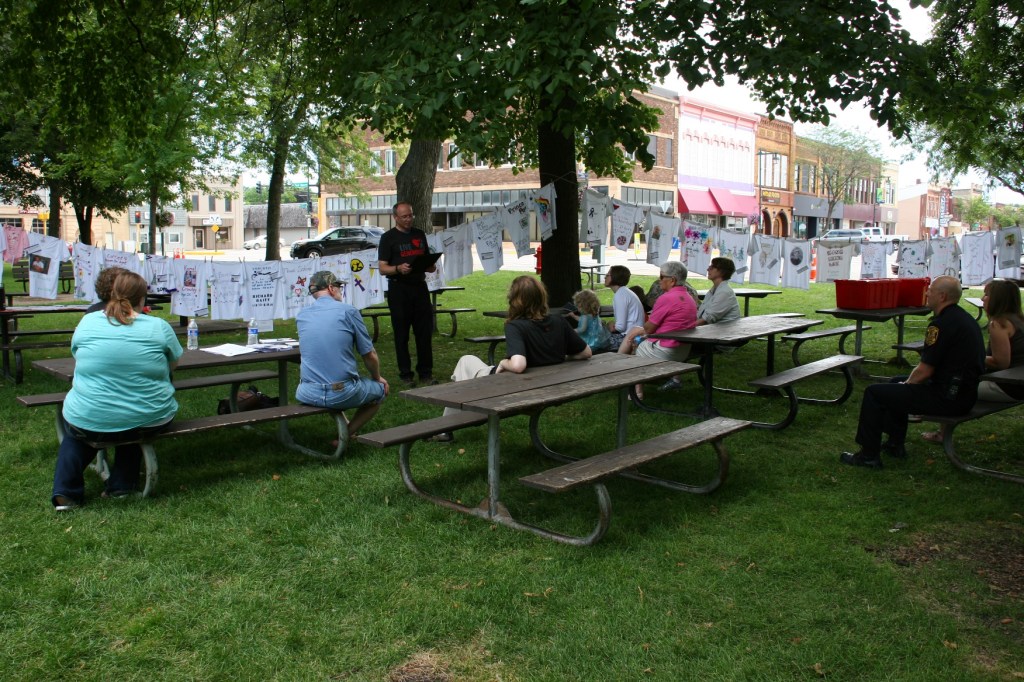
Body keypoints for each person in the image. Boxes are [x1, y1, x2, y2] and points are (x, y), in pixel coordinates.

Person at [51, 272, 183, 510]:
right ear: (142, 299)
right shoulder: (159, 327)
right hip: (149, 416)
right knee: (133, 415)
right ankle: (121, 485)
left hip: (89, 416)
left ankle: (66, 492)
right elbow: (173, 364)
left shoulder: (88, 322)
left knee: (79, 431)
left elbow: (77, 354)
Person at [840, 275, 985, 469]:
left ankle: (868, 455)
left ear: (942, 296)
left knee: (874, 393)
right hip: (964, 393)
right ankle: (894, 444)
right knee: (894, 383)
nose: (927, 293)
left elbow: (925, 370)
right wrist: (904, 384)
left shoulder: (940, 325)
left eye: (930, 290)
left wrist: (907, 385)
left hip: (948, 398)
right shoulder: (963, 318)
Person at [429, 276, 591, 442]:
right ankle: (455, 422)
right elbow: (586, 353)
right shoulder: (559, 322)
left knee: (466, 361)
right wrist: (562, 357)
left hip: (512, 388)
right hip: (544, 388)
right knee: (469, 373)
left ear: (515, 300)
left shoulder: (515, 325)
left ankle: (447, 428)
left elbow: (519, 365)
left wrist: (502, 362)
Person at [921, 279, 1024, 442]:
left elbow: (1001, 363)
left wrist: (969, 356)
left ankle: (941, 433)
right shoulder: (1018, 320)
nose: (983, 299)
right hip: (1016, 382)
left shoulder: (999, 324)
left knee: (951, 383)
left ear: (998, 299)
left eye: (987, 295)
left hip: (1007, 386)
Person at [295, 271, 389, 440]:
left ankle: (344, 429)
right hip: (341, 392)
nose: (341, 290)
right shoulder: (348, 311)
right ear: (331, 288)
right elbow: (369, 354)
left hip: (307, 392)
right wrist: (377, 377)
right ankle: (345, 435)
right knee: (380, 391)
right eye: (339, 287)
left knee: (335, 385)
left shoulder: (302, 315)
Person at [377, 202, 437, 388]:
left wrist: (430, 265)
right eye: (404, 216)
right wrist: (397, 268)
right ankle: (406, 374)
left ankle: (425, 373)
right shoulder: (388, 238)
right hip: (399, 289)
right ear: (395, 217)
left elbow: (427, 260)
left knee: (424, 333)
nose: (409, 219)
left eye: (410, 215)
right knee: (402, 334)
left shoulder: (419, 234)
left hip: (419, 288)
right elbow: (382, 268)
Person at [619, 261, 698, 400]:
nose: (659, 280)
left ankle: (616, 369)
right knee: (635, 335)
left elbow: (649, 328)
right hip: (683, 349)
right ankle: (636, 390)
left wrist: (638, 333)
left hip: (666, 350)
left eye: (661, 276)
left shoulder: (666, 298)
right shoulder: (689, 298)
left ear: (672, 280)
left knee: (633, 339)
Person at [604, 265, 646, 350]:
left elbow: (620, 327)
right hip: (634, 336)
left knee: (595, 341)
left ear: (615, 277)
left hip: (628, 339)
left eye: (608, 275)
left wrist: (609, 325)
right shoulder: (625, 292)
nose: (605, 277)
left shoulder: (620, 295)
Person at [696, 257, 741, 326]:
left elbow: (707, 319)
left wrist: (685, 327)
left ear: (722, 271)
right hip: (715, 331)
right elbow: (701, 314)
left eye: (712, 267)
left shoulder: (724, 292)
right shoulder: (714, 290)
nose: (708, 269)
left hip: (724, 333)